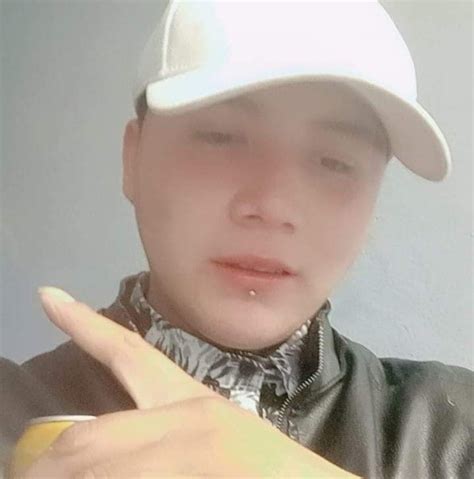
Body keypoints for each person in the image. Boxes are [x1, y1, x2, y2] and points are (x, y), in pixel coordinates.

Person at [1, 1, 472, 477]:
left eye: (335, 162)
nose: (273, 206)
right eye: (221, 137)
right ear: (133, 159)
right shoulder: (11, 415)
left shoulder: (451, 433)